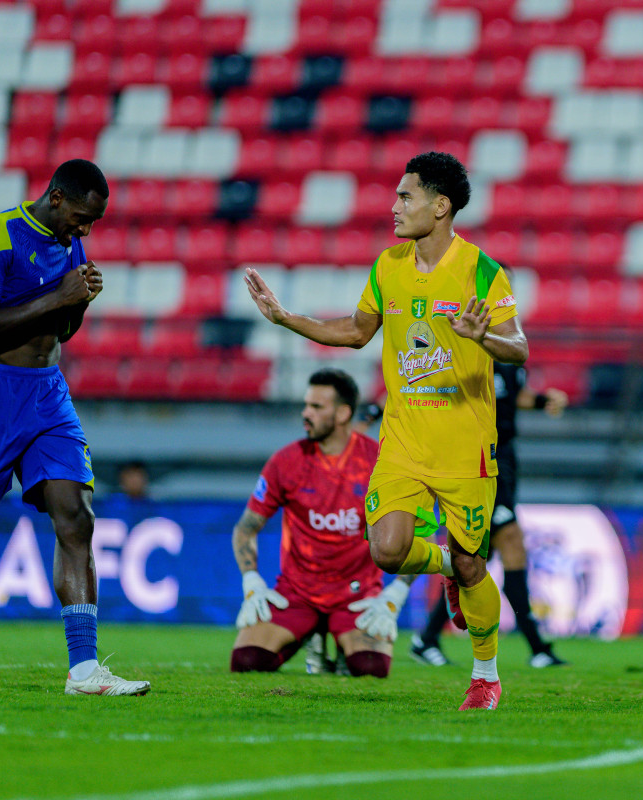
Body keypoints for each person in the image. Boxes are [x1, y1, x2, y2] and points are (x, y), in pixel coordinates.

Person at [244, 151, 527, 710]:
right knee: (388, 550)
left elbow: (518, 348)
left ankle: (485, 675)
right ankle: (445, 565)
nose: (394, 206)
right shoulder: (388, 265)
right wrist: (285, 318)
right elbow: (356, 331)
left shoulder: (482, 271)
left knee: (473, 563)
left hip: (466, 450)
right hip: (403, 443)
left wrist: (483, 338)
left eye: (405, 196)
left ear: (440, 206)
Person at [0, 159, 150, 696]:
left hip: (48, 393)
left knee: (76, 516)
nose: (85, 230)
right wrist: (59, 297)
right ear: (56, 198)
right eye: (81, 217)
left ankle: (84, 670)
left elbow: (62, 330)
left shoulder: (69, 246)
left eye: (94, 222)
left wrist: (80, 303)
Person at [229, 368, 411, 678]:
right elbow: (245, 529)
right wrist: (251, 582)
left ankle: (336, 644)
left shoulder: (381, 462)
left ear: (343, 413)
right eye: (306, 405)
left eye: (316, 406)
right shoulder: (286, 461)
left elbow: (419, 535)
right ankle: (309, 635)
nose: (305, 413)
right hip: (297, 593)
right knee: (246, 661)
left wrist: (394, 597)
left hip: (356, 596)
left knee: (371, 668)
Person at [411, 363, 567, 668]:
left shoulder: (509, 357)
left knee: (475, 557)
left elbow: (512, 394)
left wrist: (542, 400)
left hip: (503, 458)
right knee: (509, 540)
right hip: (477, 458)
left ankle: (427, 638)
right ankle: (537, 646)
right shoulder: (464, 355)